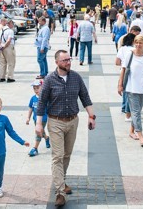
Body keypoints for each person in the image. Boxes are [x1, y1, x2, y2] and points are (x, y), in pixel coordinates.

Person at [35, 50, 96, 207]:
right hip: (55, 122)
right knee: (58, 156)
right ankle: (60, 192)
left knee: (67, 154)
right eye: (64, 60)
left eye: (69, 59)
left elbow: (85, 97)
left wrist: (91, 116)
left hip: (72, 121)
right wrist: (39, 123)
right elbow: (41, 102)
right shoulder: (49, 79)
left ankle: (62, 181)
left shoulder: (75, 77)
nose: (68, 62)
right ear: (57, 62)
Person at [115, 31, 138, 122]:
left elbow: (117, 62)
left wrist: (123, 64)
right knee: (130, 91)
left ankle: (124, 107)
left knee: (124, 89)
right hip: (132, 72)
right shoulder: (134, 50)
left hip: (123, 71)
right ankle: (128, 109)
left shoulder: (122, 49)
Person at [25, 80, 50, 157]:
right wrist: (28, 118)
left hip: (43, 119)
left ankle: (35, 148)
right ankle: (46, 138)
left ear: (42, 88)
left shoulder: (45, 98)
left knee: (38, 133)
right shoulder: (33, 98)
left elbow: (50, 108)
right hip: (35, 119)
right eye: (34, 88)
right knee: (41, 132)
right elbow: (30, 108)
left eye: (37, 88)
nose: (36, 90)